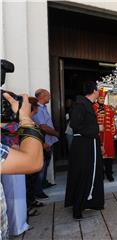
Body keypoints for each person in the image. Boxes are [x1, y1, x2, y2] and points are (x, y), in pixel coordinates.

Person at [1, 92, 44, 239]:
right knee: (15, 194)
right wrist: (25, 119)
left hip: (12, 162)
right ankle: (18, 225)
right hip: (15, 162)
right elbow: (33, 161)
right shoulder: (15, 125)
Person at [65, 81, 104, 220]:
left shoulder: (87, 104)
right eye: (98, 89)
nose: (99, 92)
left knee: (91, 173)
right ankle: (77, 208)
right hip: (83, 146)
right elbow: (76, 125)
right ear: (94, 91)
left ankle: (89, 202)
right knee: (82, 174)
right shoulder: (80, 105)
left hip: (89, 144)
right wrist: (97, 129)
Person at [33, 89, 59, 199]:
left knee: (46, 163)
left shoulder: (43, 108)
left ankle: (43, 183)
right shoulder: (38, 109)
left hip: (48, 141)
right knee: (41, 166)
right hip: (43, 142)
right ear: (42, 96)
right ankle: (38, 191)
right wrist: (56, 133)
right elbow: (42, 126)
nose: (49, 97)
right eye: (48, 95)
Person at [93, 89, 117, 181]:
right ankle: (100, 174)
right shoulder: (93, 107)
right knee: (99, 157)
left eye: (103, 98)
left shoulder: (108, 108)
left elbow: (112, 122)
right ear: (97, 98)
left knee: (109, 157)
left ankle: (109, 173)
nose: (102, 100)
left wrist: (114, 133)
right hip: (97, 134)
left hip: (108, 135)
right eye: (100, 98)